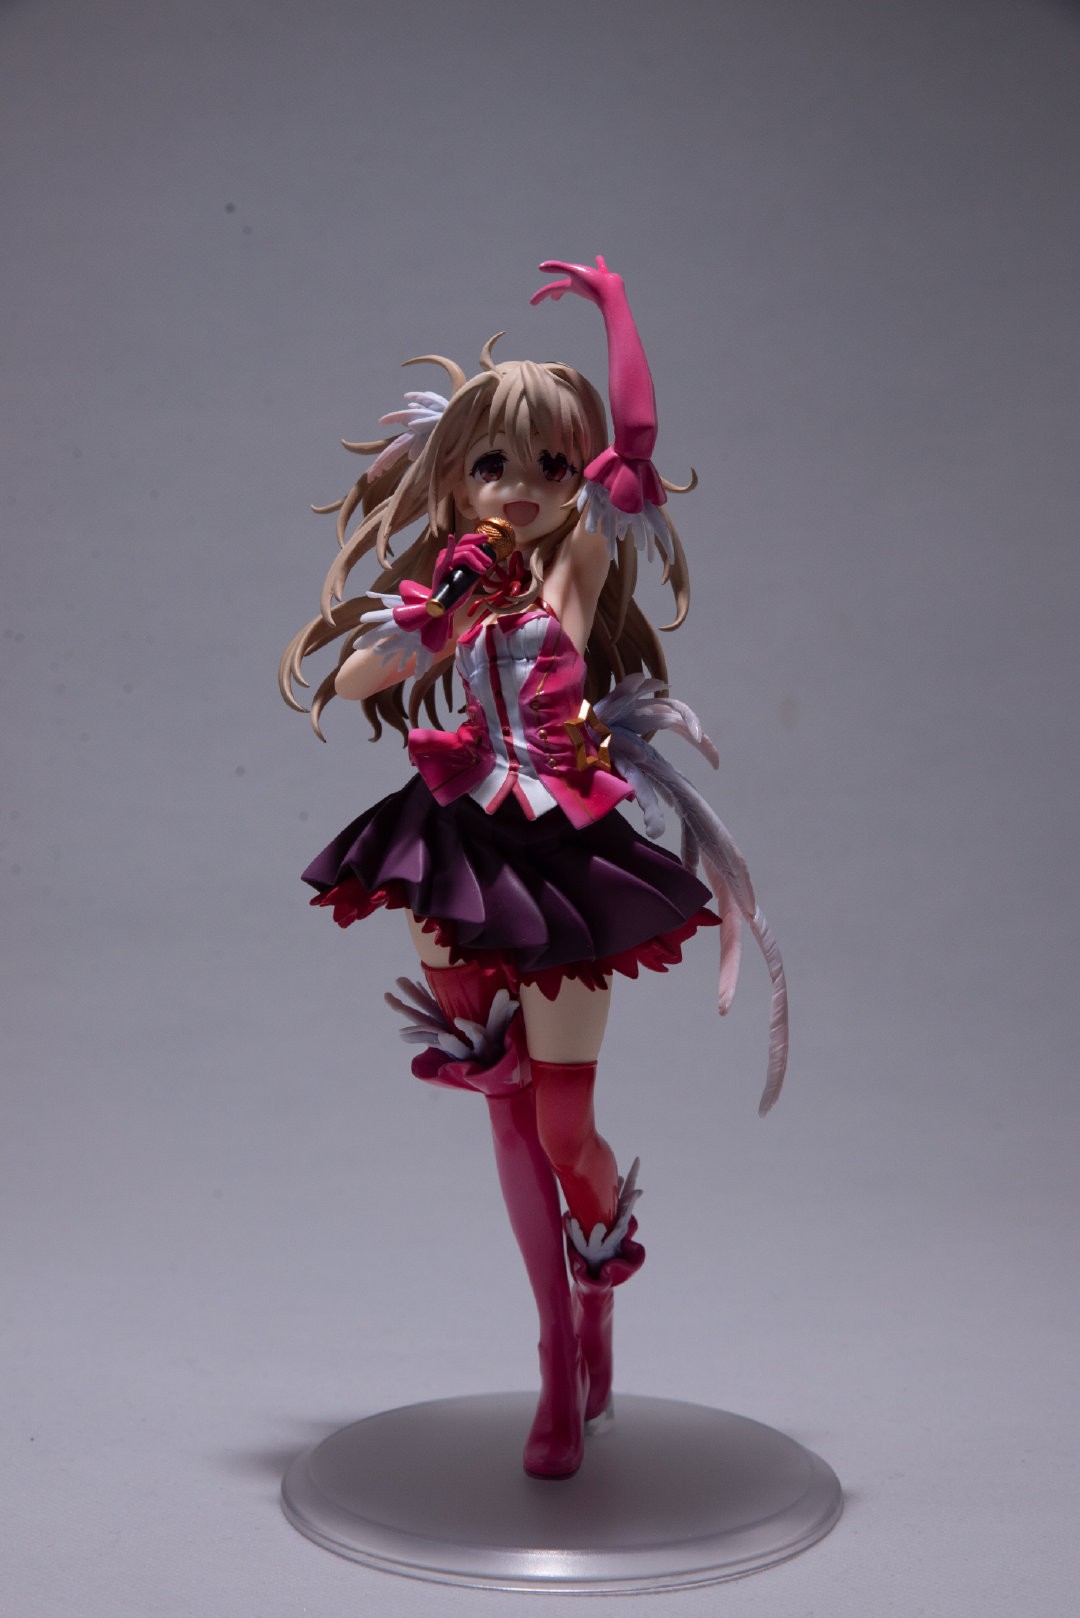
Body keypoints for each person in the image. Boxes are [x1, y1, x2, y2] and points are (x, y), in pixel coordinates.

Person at [279, 258, 787, 1478]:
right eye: (493, 466)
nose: (521, 488)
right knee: (504, 1103)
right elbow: (355, 677)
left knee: (565, 1128)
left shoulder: (580, 564)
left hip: (566, 856)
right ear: (456, 476)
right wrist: (425, 621)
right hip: (459, 845)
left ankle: (597, 1281)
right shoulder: (457, 584)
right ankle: (556, 1366)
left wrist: (616, 306)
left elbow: (637, 447)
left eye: (551, 465)